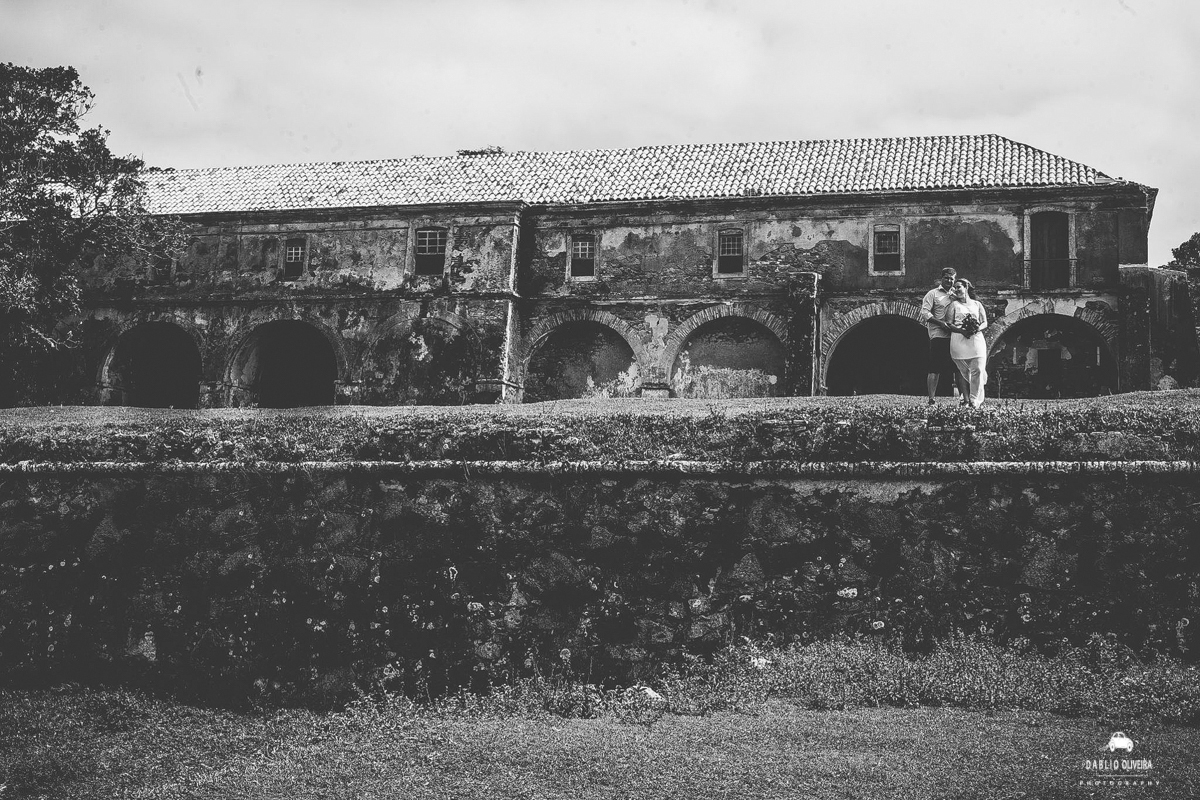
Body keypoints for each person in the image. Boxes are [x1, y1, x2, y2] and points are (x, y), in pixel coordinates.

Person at [918, 268, 966, 404]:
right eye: (946, 278)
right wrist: (940, 324)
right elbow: (925, 313)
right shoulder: (932, 294)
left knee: (958, 368)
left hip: (955, 336)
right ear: (941, 278)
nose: (949, 281)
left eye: (952, 279)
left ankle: (963, 398)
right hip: (939, 336)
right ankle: (932, 398)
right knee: (935, 367)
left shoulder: (958, 294)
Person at [945, 278, 989, 408]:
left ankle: (975, 400)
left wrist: (976, 328)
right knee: (963, 370)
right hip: (959, 339)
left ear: (966, 287)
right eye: (954, 288)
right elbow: (948, 323)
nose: (956, 290)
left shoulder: (977, 304)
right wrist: (961, 331)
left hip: (976, 339)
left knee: (978, 369)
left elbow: (984, 321)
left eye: (958, 287)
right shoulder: (953, 305)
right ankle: (966, 398)